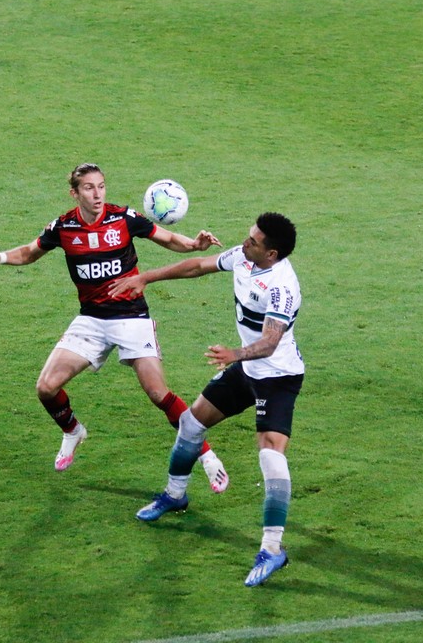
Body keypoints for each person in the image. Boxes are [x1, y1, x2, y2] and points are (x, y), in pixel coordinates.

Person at [0, 163, 230, 491]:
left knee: (157, 392)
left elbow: (166, 238)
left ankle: (206, 456)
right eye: (89, 188)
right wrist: (1, 259)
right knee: (46, 387)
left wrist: (194, 245)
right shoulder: (64, 227)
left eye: (102, 186)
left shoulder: (123, 218)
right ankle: (73, 431)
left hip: (131, 316)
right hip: (91, 319)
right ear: (75, 193)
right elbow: (30, 252)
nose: (97, 194)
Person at [109, 212, 304, 587]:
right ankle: (175, 495)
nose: (246, 243)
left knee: (270, 456)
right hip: (245, 370)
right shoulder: (245, 258)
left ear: (272, 253)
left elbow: (271, 342)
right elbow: (198, 265)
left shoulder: (282, 285)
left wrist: (234, 353)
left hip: (277, 378)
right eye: (248, 236)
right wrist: (145, 277)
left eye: (254, 241)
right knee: (191, 423)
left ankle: (272, 549)